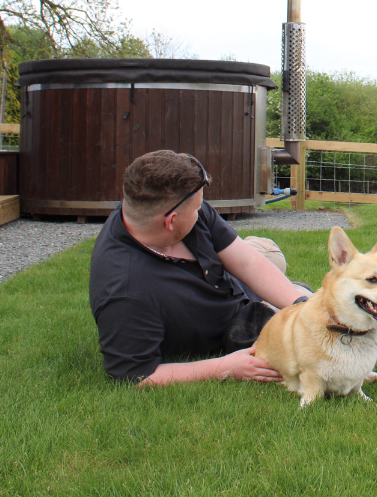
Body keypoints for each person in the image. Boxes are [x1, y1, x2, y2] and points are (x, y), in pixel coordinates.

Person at [88, 150, 312, 385]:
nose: (202, 210)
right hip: (238, 321)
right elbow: (135, 375)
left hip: (234, 284)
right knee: (297, 347)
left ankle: (286, 288)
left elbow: (246, 262)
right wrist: (226, 367)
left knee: (270, 258)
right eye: (196, 209)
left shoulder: (178, 205)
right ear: (171, 221)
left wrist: (301, 305)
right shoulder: (126, 293)